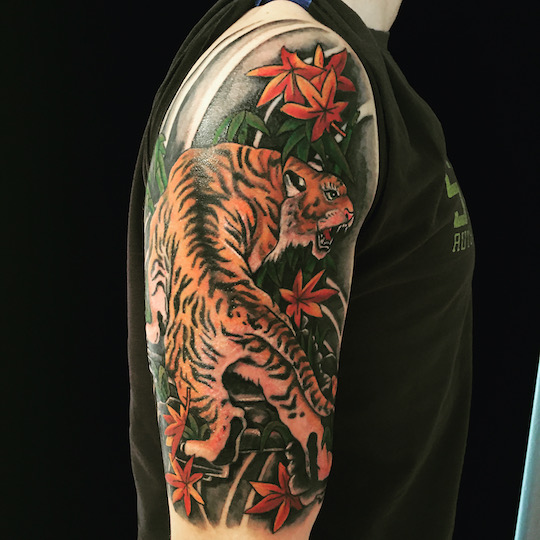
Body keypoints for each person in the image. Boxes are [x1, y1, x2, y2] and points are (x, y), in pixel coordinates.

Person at [126, 1, 475, 538]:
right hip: (217, 313)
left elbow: (168, 285)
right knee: (281, 379)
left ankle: (222, 427)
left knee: (237, 373)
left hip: (209, 319)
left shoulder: (344, 59)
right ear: (291, 185)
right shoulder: (297, 55)